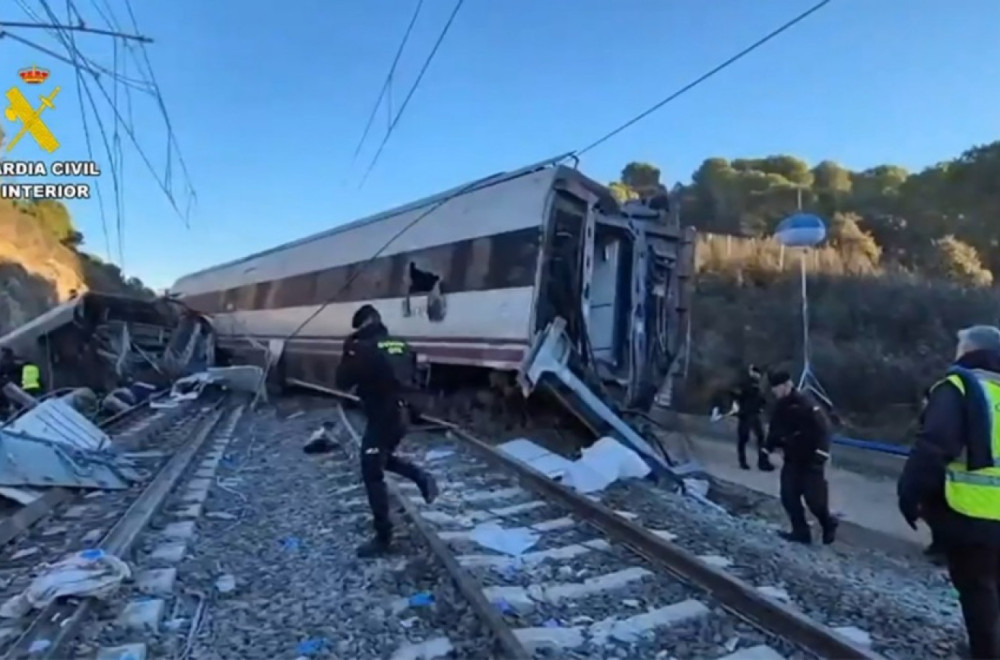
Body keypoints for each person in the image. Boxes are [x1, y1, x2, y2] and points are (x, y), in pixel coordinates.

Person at [897, 325, 1000, 658]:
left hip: (974, 515)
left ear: (968, 351)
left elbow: (933, 447)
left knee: (978, 591)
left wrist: (909, 495)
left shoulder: (959, 387)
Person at [335, 304, 439, 558]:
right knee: (379, 458)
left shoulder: (362, 349)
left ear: (364, 324)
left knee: (371, 472)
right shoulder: (400, 344)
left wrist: (347, 351)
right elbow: (414, 376)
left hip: (383, 416)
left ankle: (383, 537)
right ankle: (420, 477)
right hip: (402, 416)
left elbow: (342, 381)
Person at [764, 370, 838, 545]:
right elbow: (775, 431)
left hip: (811, 459)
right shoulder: (780, 407)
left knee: (815, 500)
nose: (775, 392)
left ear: (787, 385)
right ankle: (801, 532)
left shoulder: (806, 404)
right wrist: (767, 451)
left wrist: (821, 455)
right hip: (792, 458)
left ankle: (829, 522)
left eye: (778, 388)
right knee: (788, 496)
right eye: (773, 388)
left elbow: (823, 430)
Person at [730, 364, 774, 471]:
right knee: (746, 438)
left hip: (752, 413)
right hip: (746, 414)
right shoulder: (746, 383)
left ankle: (760, 461)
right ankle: (745, 461)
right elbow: (737, 395)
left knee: (758, 438)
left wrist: (761, 406)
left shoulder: (756, 385)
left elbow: (760, 398)